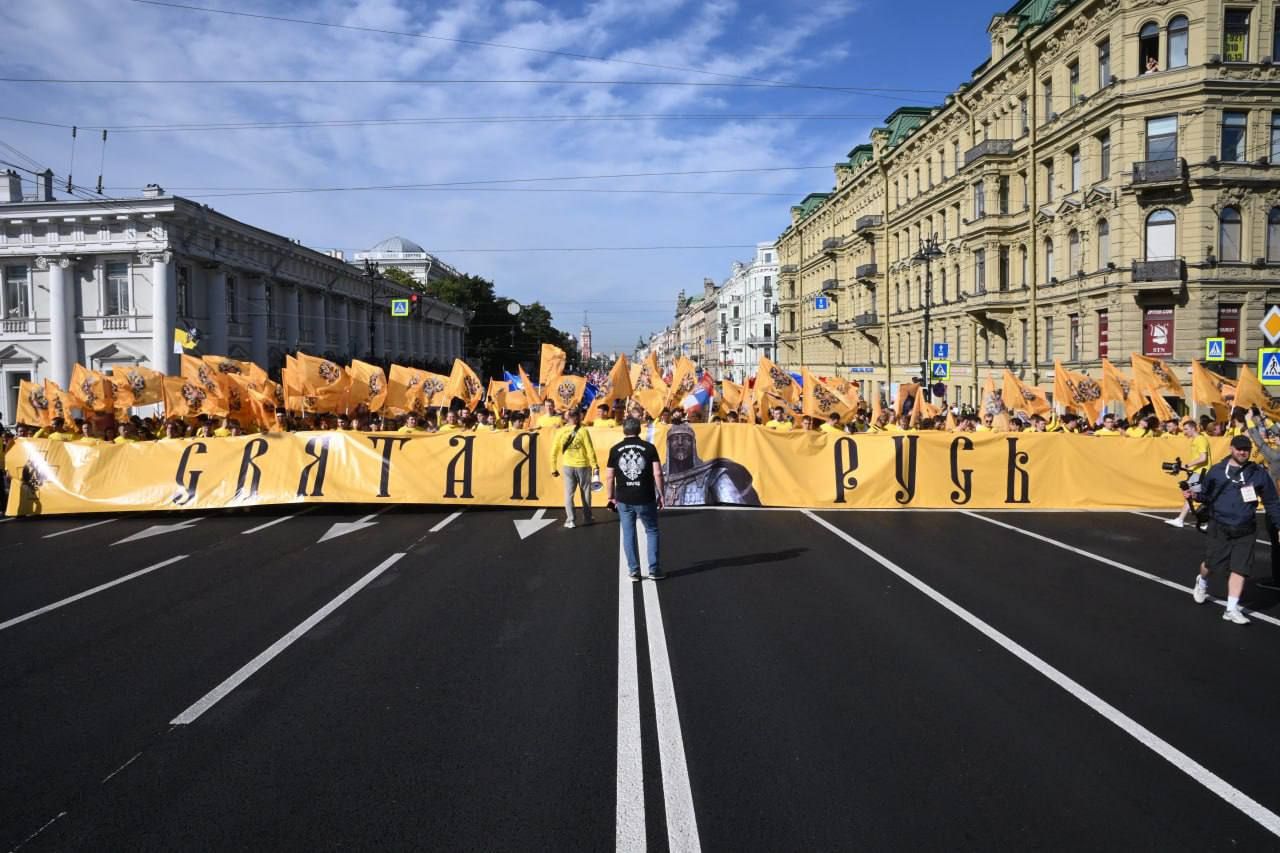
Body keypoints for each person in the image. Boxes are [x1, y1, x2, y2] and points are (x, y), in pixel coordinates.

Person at [1184, 434, 1280, 624]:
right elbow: (1206, 495)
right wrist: (1194, 495)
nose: (1243, 452)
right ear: (1231, 449)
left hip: (1246, 528)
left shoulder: (1258, 473)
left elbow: (1271, 501)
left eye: (1246, 449)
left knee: (1240, 568)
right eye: (1239, 449)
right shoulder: (1217, 471)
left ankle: (1231, 609)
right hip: (1220, 526)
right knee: (1212, 564)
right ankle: (1202, 581)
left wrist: (1278, 525)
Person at [605, 416, 665, 581]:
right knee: (651, 530)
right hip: (645, 496)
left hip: (624, 497)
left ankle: (634, 570)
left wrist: (610, 496)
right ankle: (654, 570)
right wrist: (662, 494)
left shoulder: (615, 449)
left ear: (624, 430)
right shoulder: (649, 448)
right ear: (639, 429)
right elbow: (658, 473)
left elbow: (609, 477)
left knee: (628, 533)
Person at [1244, 408, 1280, 591]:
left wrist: (1249, 421)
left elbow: (1259, 442)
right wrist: (1266, 420)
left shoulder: (1276, 457)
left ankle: (1277, 579)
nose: (1275, 438)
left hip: (1277, 506)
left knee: (1276, 544)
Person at [551, 406, 600, 528]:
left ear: (568, 418)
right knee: (586, 493)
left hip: (568, 466)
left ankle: (570, 520)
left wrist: (553, 468)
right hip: (583, 465)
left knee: (569, 494)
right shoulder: (583, 431)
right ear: (578, 417)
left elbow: (554, 451)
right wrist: (595, 465)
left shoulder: (561, 431)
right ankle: (588, 518)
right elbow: (590, 449)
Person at [1168, 418, 1211, 528]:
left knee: (1191, 494)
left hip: (1200, 473)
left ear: (1193, 428)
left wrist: (1188, 465)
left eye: (1186, 429)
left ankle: (1181, 519)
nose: (1184, 431)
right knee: (1199, 496)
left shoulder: (1200, 439)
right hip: (1197, 472)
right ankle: (1204, 522)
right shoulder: (1196, 440)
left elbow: (1203, 458)